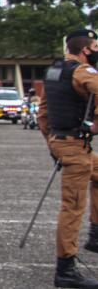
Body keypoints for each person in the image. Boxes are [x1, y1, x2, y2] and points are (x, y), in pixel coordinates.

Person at [37, 28, 98, 288]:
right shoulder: (84, 71)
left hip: (61, 141)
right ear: (86, 50)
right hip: (74, 144)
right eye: (95, 46)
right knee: (72, 207)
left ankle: (95, 234)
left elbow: (43, 113)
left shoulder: (54, 72)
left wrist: (52, 143)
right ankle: (66, 269)